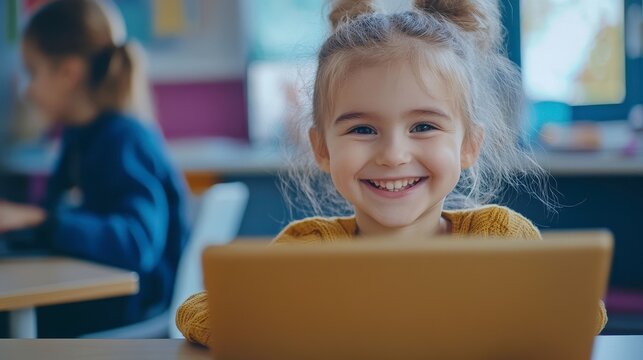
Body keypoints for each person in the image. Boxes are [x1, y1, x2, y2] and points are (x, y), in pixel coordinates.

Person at [175, 0, 607, 346]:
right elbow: (196, 312)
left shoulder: (499, 238)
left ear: (469, 146)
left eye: (423, 126)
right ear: (323, 148)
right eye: (363, 129)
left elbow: (585, 313)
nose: (393, 154)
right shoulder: (308, 250)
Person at [0, 0, 189, 337]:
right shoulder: (78, 137)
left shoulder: (123, 138)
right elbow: (63, 218)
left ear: (68, 73)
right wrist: (30, 224)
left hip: (128, 312)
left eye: (32, 72)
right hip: (101, 301)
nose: (25, 89)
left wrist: (40, 220)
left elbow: (136, 243)